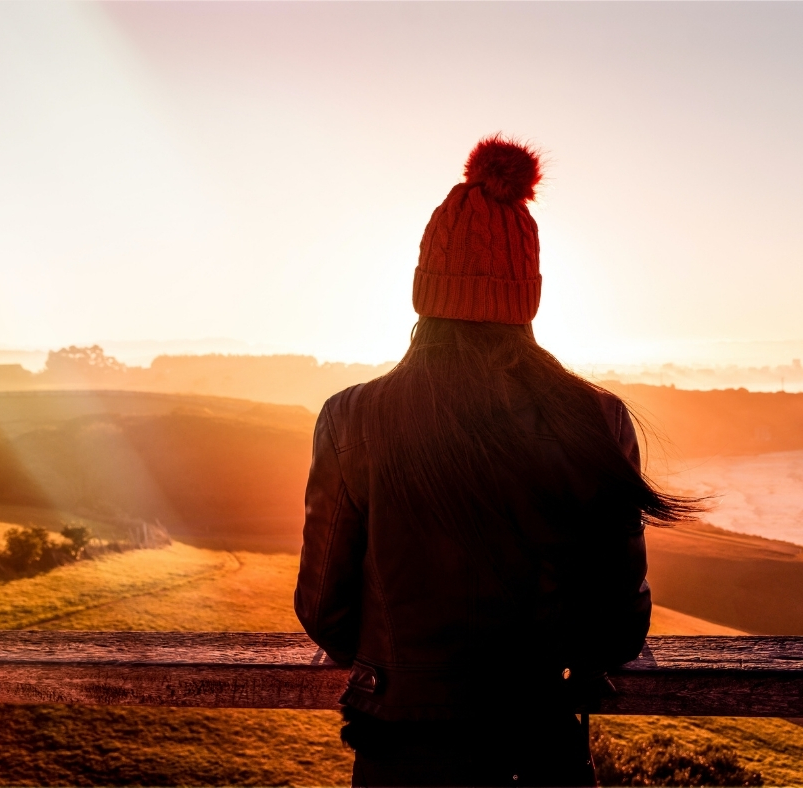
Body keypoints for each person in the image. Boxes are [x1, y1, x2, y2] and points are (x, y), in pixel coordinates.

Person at [295, 135, 698, 787]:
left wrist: (392, 667)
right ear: (528, 292)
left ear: (424, 290)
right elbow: (617, 628)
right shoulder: (596, 419)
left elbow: (324, 608)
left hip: (401, 752)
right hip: (539, 751)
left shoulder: (353, 417)